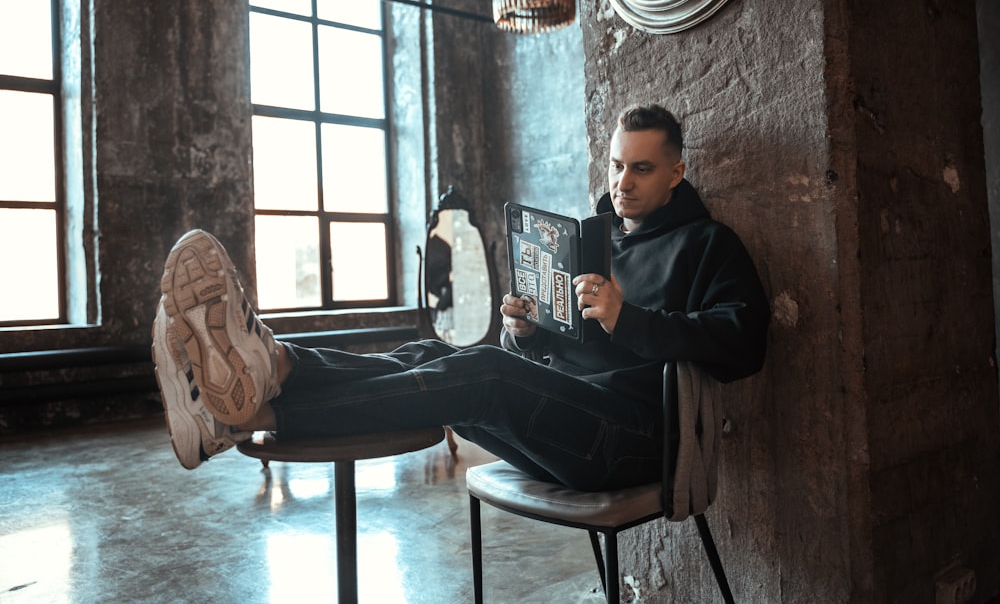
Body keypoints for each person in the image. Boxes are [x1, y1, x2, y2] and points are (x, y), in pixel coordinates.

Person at [151, 104, 770, 492]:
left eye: (641, 169)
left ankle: (252, 416)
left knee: (483, 374)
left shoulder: (707, 244)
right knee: (429, 353)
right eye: (615, 166)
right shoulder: (593, 243)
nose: (622, 183)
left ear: (676, 173)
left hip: (633, 440)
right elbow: (548, 353)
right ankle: (281, 364)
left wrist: (626, 318)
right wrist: (524, 332)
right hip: (567, 418)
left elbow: (744, 345)